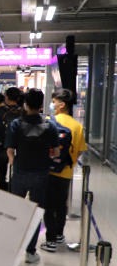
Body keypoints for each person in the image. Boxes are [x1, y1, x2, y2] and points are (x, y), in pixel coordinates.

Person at [6, 88, 60, 264]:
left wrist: (14, 161)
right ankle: (30, 252)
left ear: (25, 104)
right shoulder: (50, 125)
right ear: (41, 104)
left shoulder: (16, 124)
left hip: (20, 172)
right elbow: (56, 152)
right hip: (41, 173)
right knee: (36, 213)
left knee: (15, 211)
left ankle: (11, 250)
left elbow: (10, 150)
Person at [41, 88, 87, 252]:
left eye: (54, 102)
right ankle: (59, 235)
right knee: (61, 205)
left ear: (61, 104)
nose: (52, 105)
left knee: (48, 205)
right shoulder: (77, 126)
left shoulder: (49, 121)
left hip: (48, 170)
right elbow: (81, 150)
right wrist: (71, 161)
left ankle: (51, 241)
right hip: (66, 171)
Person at [0, 87, 23, 191]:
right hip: (20, 147)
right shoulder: (23, 112)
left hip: (2, 145)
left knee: (2, 172)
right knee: (18, 171)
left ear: (6, 97)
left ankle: (3, 187)